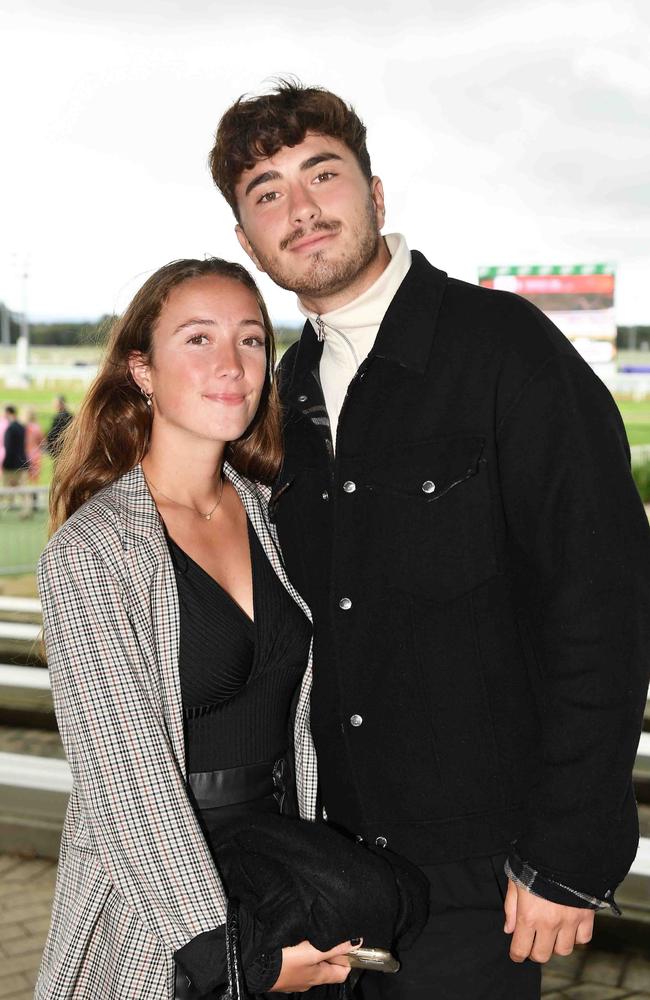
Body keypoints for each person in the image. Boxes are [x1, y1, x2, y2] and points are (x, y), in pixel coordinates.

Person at [209, 81, 650, 999]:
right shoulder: (276, 396)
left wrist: (570, 850)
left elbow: (603, 605)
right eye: (267, 193)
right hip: (325, 872)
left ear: (376, 194)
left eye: (321, 173)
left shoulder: (507, 351)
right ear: (249, 244)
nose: (301, 208)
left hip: (477, 877)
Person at [36, 257, 357, 999]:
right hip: (165, 914)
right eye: (198, 339)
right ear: (141, 371)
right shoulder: (93, 551)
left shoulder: (274, 516)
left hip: (283, 883)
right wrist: (233, 956)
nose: (232, 365)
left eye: (251, 340)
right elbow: (125, 780)